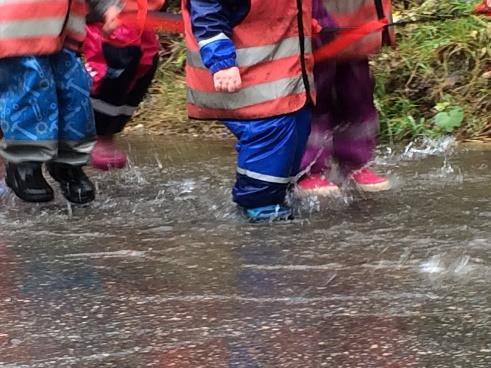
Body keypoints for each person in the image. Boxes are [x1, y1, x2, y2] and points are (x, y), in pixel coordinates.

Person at [183, 0, 315, 221]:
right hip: (240, 71)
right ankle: (258, 203)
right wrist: (221, 61)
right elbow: (207, 14)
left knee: (296, 123)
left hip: (283, 70)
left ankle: (277, 193)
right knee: (269, 128)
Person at [0, 0, 121, 203]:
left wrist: (104, 7)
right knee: (30, 92)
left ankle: (68, 163)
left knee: (74, 93)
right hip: (13, 32)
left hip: (60, 36)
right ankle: (25, 162)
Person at [298, 0, 391, 196]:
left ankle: (355, 163)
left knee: (357, 93)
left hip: (354, 22)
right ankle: (308, 169)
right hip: (310, 22)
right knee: (315, 95)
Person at [84, 0, 165, 171]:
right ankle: (96, 132)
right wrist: (102, 7)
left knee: (145, 63)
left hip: (137, 13)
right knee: (115, 64)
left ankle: (109, 131)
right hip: (107, 15)